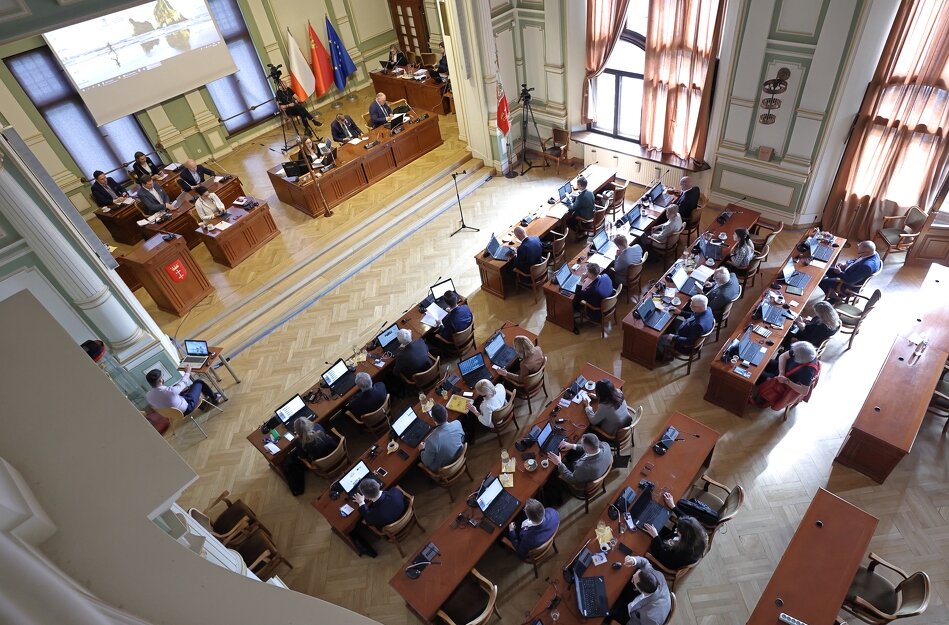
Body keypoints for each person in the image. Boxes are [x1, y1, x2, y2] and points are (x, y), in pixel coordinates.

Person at [754, 340, 820, 410]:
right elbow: (783, 356)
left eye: (794, 354)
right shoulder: (803, 351)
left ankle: (756, 394)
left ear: (801, 360)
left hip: (782, 382)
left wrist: (787, 381)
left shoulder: (807, 372)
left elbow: (804, 391)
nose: (792, 353)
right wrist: (781, 373)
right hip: (782, 371)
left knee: (756, 373)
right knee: (760, 360)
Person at [609, 556, 672, 625]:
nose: (633, 577)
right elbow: (645, 563)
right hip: (641, 603)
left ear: (639, 590)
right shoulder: (658, 575)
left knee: (608, 609)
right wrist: (633, 560)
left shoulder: (650, 617)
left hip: (631, 618)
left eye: (634, 581)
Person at [283, 419, 338, 496]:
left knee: (296, 457)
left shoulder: (299, 441)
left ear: (297, 431)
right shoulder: (317, 426)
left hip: (321, 462)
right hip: (335, 450)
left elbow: (302, 456)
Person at [642, 509, 708, 571]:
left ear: (685, 537)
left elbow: (663, 555)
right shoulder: (699, 535)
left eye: (678, 531)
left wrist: (655, 536)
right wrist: (673, 507)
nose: (676, 530)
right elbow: (688, 522)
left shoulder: (683, 553)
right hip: (669, 548)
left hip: (666, 558)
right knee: (657, 527)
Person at [656, 294, 714, 362]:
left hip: (684, 345)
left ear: (700, 308)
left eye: (693, 306)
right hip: (687, 328)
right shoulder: (707, 309)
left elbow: (688, 342)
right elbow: (693, 316)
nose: (690, 306)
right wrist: (681, 312)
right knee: (671, 322)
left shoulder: (699, 325)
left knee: (659, 338)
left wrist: (673, 337)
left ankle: (665, 357)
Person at [145, 366, 221, 415]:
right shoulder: (170, 391)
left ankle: (203, 405)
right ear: (160, 380)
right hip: (187, 408)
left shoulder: (148, 395)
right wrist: (187, 372)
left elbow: (165, 396)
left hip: (174, 414)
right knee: (198, 382)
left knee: (188, 389)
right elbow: (184, 382)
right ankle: (214, 398)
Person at [419, 404, 465, 471]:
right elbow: (462, 438)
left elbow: (426, 462)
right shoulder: (457, 423)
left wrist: (421, 450)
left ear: (434, 419)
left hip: (444, 467)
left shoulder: (431, 441)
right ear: (446, 413)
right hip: (459, 455)